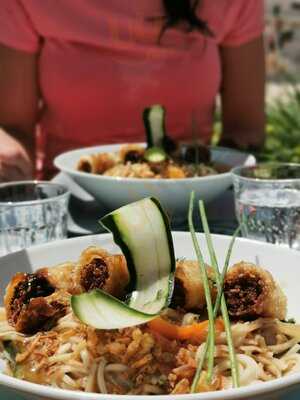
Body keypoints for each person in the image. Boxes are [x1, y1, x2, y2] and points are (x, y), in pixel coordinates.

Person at [0, 0, 265, 181]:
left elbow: (245, 129)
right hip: (69, 196)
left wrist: (220, 174)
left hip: (193, 204)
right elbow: (15, 128)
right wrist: (9, 156)